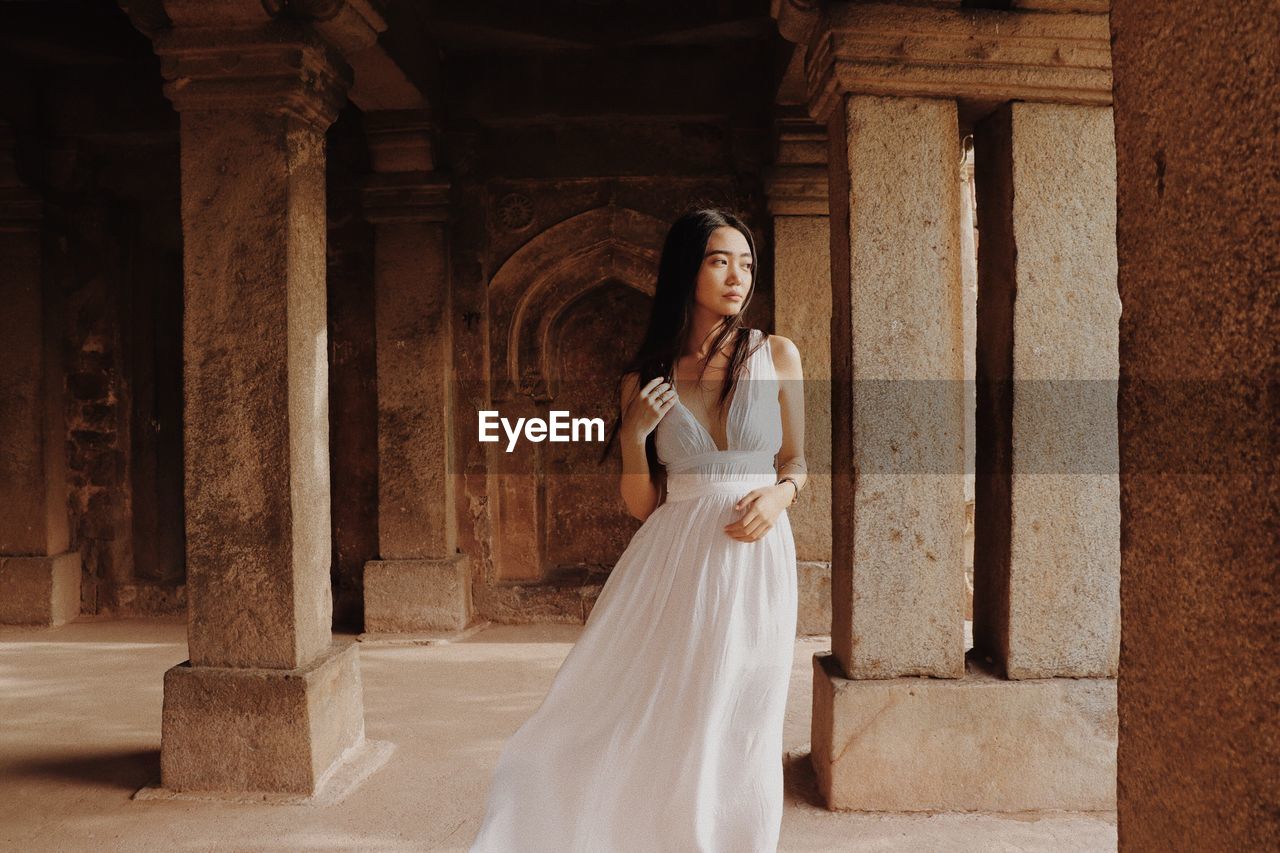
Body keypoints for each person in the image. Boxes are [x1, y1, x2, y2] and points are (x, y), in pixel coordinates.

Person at [469, 208, 808, 853]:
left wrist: (780, 495)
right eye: (719, 260)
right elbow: (641, 505)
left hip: (759, 555)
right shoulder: (644, 379)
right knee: (663, 703)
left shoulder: (778, 355)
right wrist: (631, 437)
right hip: (673, 557)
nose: (738, 276)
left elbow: (798, 461)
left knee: (744, 707)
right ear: (687, 269)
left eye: (746, 263)